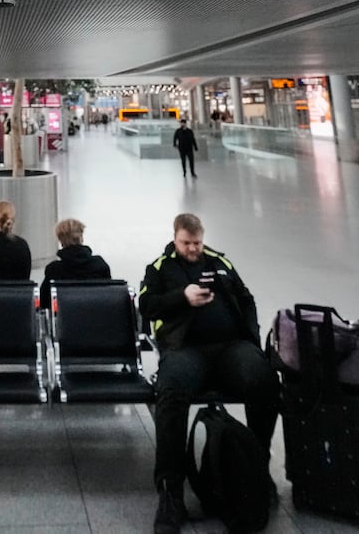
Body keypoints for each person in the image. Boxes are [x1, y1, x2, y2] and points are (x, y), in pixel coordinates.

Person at [139, 213, 279, 534]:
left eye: (197, 243)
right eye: (186, 243)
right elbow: (147, 305)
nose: (192, 248)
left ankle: (256, 467)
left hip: (231, 347)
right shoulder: (160, 268)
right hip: (185, 349)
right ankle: (170, 490)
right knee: (171, 392)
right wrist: (182, 297)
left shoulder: (220, 262)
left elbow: (246, 299)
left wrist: (253, 342)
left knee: (265, 382)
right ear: (175, 239)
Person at [39, 217, 112, 306]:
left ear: (61, 241)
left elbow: (43, 303)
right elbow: (110, 296)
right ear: (81, 238)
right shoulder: (99, 265)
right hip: (97, 317)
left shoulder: (54, 270)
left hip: (66, 319)